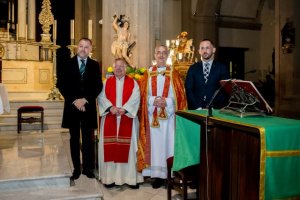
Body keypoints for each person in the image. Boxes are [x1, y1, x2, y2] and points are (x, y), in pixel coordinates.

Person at [137, 45, 187, 189]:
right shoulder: (147, 73)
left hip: (169, 119)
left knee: (169, 145)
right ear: (154, 54)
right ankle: (157, 176)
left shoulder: (174, 73)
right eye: (158, 52)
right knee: (155, 146)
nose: (161, 55)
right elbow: (142, 95)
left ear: (167, 55)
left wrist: (167, 102)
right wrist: (153, 101)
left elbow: (180, 96)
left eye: (164, 53)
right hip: (153, 117)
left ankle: (169, 175)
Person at [57, 38, 103, 180]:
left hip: (88, 108)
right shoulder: (67, 63)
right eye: (81, 46)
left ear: (90, 49)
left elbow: (98, 86)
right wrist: (75, 101)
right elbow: (61, 84)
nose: (83, 49)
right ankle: (77, 168)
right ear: (77, 47)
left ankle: (88, 168)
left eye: (86, 47)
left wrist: (85, 100)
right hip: (72, 107)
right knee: (74, 138)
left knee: (89, 139)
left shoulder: (95, 65)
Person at [97, 58, 143, 189]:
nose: (119, 69)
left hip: (127, 118)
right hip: (110, 118)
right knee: (110, 149)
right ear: (113, 68)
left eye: (121, 66)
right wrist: (110, 108)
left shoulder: (133, 82)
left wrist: (125, 109)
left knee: (129, 149)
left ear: (126, 68)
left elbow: (136, 97)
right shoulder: (106, 82)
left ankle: (129, 179)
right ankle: (110, 178)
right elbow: (101, 97)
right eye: (116, 66)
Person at [185, 39, 230, 110]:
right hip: (197, 110)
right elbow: (189, 90)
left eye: (207, 48)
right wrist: (198, 107)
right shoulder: (192, 68)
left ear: (214, 50)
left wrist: (213, 107)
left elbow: (224, 90)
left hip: (216, 111)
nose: (204, 51)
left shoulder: (222, 68)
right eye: (202, 48)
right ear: (199, 51)